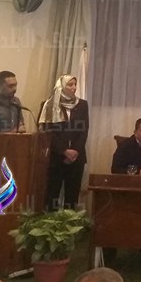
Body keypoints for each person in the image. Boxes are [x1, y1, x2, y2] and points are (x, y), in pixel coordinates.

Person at [38, 74, 89, 210]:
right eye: (70, 84)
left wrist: (75, 151)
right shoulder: (49, 105)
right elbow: (48, 132)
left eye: (75, 84)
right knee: (52, 194)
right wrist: (64, 151)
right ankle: (50, 221)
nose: (74, 88)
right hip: (56, 156)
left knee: (72, 195)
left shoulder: (82, 105)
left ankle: (70, 222)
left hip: (77, 157)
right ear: (61, 86)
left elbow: (84, 130)